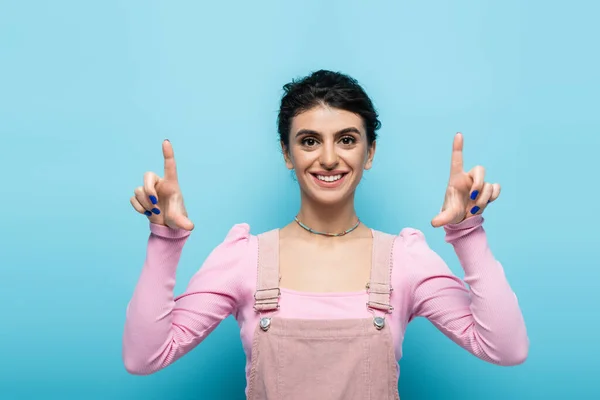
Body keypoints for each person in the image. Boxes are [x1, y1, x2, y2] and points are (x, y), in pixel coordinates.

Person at [123, 70, 529, 399]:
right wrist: (165, 238)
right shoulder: (245, 258)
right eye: (310, 141)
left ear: (369, 153)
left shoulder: (404, 259)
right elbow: (144, 357)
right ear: (287, 153)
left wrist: (468, 232)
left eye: (347, 140)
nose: (329, 158)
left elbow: (506, 349)